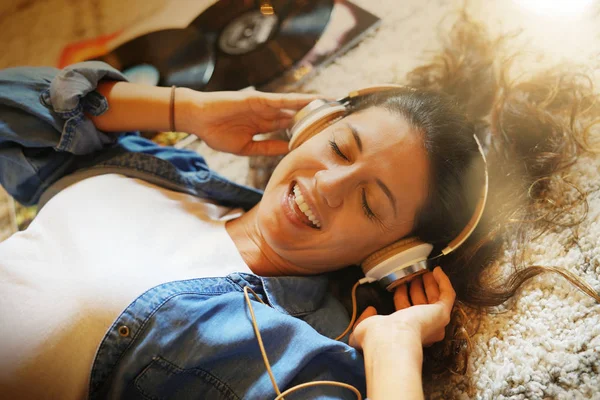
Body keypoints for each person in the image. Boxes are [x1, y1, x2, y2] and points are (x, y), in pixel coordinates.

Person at [0, 13, 598, 400]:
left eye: (368, 203)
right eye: (340, 147)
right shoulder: (175, 173)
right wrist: (188, 109)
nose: (329, 185)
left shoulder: (274, 347)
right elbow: (11, 106)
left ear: (393, 257)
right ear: (311, 126)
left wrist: (395, 347)